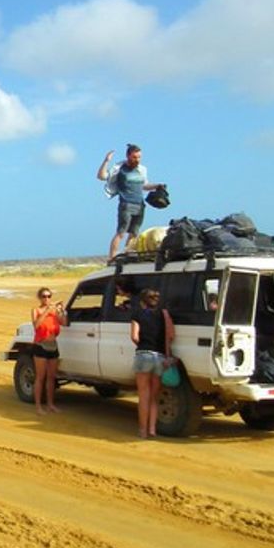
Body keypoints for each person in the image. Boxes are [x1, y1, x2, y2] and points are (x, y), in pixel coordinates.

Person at [97, 144, 167, 261]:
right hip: (126, 204)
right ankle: (112, 258)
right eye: (135, 157)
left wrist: (157, 186)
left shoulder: (141, 170)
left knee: (134, 233)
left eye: (139, 157)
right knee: (121, 232)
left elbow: (144, 186)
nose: (137, 160)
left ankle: (127, 254)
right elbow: (101, 176)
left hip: (140, 204)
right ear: (128, 156)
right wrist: (106, 161)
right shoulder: (119, 169)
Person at [130, 288, 175, 438]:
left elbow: (134, 336)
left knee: (144, 396)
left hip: (143, 355)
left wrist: (143, 343)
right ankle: (152, 429)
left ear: (142, 302)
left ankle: (142, 431)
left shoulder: (137, 314)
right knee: (154, 397)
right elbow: (171, 335)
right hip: (160, 358)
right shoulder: (164, 314)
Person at [31, 287, 65, 414]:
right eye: (44, 296)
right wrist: (46, 311)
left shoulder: (54, 312)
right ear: (40, 298)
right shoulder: (36, 310)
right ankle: (38, 406)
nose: (47, 299)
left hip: (53, 344)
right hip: (41, 345)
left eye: (49, 296)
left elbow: (64, 322)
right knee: (40, 377)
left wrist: (61, 310)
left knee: (51, 377)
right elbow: (36, 325)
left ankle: (50, 404)